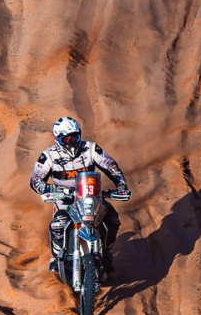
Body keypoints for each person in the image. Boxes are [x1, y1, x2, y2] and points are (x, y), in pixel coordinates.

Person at [30, 116, 129, 277]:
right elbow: (35, 180)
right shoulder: (48, 155)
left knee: (112, 219)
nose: (70, 142)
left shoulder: (90, 148)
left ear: (79, 135)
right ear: (57, 138)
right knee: (58, 224)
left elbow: (110, 166)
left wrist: (121, 184)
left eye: (74, 137)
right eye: (66, 139)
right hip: (65, 198)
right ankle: (57, 256)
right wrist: (50, 188)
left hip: (91, 195)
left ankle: (106, 251)